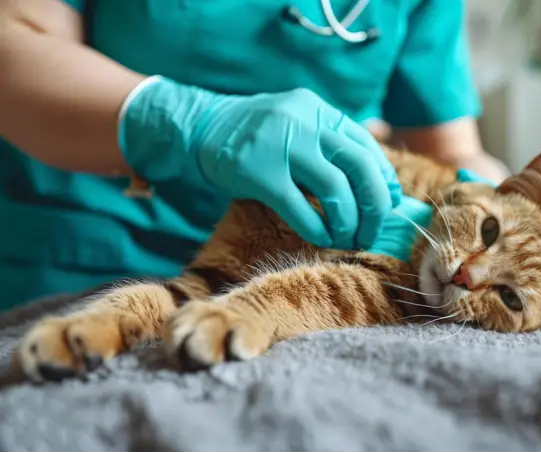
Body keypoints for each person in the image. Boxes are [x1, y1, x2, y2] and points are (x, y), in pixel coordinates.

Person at [0, 0, 505, 312]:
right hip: (80, 251)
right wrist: (192, 121)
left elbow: (451, 152)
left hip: (301, 274)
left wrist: (514, 223)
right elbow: (12, 44)